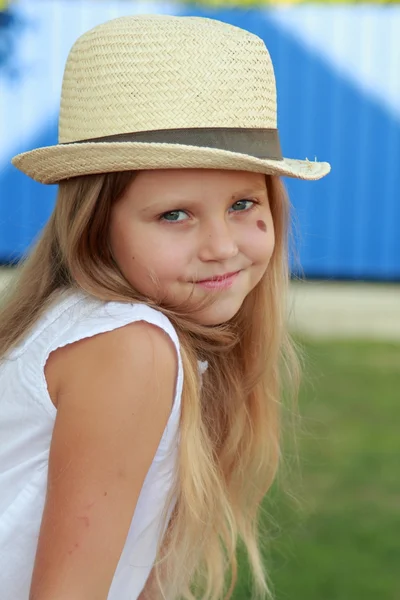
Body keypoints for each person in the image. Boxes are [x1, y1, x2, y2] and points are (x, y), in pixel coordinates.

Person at [0, 14, 330, 600]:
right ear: (96, 226)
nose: (222, 246)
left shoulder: (97, 326)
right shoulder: (128, 345)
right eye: (174, 214)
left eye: (242, 203)